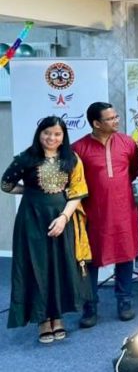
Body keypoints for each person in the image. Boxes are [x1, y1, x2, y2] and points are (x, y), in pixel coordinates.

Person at [2, 116, 89, 342]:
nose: (52, 138)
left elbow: (77, 192)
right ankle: (42, 320)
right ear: (39, 134)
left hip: (62, 219)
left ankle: (57, 317)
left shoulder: (71, 159)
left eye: (57, 134)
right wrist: (30, 192)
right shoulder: (26, 158)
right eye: (47, 133)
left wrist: (63, 218)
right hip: (32, 220)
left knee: (59, 265)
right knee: (36, 267)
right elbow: (6, 184)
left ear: (63, 136)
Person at [74, 103, 138, 328]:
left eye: (116, 116)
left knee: (125, 255)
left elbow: (133, 171)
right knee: (90, 259)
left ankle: (125, 301)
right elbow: (75, 183)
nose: (116, 121)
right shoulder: (78, 149)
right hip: (93, 214)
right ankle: (90, 306)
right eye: (110, 118)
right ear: (96, 123)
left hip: (123, 210)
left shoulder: (128, 143)